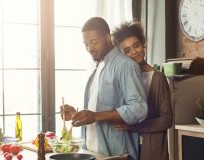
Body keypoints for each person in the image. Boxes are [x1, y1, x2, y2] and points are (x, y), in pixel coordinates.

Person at [61, 17, 148, 160]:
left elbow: (139, 108)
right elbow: (100, 109)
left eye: (94, 42)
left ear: (108, 38)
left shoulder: (125, 65)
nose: (90, 48)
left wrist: (95, 116)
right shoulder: (97, 69)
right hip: (92, 152)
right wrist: (78, 115)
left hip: (117, 155)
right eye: (86, 44)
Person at [111, 21, 173, 160]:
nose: (134, 52)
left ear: (143, 44)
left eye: (136, 45)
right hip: (127, 147)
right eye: (127, 50)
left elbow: (166, 120)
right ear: (121, 54)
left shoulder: (158, 78)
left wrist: (133, 127)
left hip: (151, 150)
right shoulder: (122, 78)